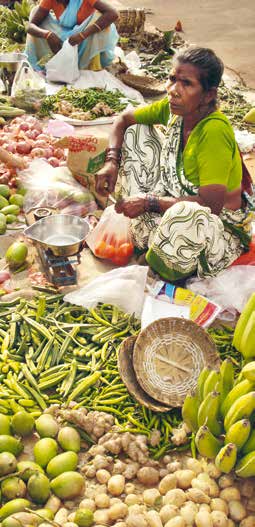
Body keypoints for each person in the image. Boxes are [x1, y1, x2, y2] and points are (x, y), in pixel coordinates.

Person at [95, 46, 253, 282]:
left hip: (216, 227)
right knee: (136, 133)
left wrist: (149, 202)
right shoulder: (174, 111)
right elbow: (123, 119)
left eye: (186, 84)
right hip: (176, 200)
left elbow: (210, 206)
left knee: (186, 214)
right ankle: (154, 240)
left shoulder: (213, 132)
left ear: (208, 95)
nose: (173, 91)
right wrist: (111, 162)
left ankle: (166, 266)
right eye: (172, 79)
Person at [25, 0, 119, 72]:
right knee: (35, 11)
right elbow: (30, 26)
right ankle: (56, 61)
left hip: (86, 37)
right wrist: (48, 35)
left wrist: (82, 35)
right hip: (62, 34)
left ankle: (89, 64)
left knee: (99, 16)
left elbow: (113, 13)